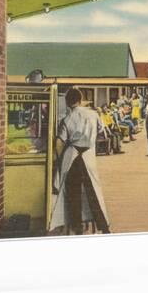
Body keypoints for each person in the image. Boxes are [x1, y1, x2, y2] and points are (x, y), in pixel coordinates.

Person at [50, 89, 110, 235]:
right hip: (88, 156)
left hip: (72, 157)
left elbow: (60, 142)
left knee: (73, 194)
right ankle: (103, 225)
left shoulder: (67, 118)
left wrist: (58, 160)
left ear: (67, 102)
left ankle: (76, 227)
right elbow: (101, 131)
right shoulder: (93, 114)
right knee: (93, 192)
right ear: (80, 99)